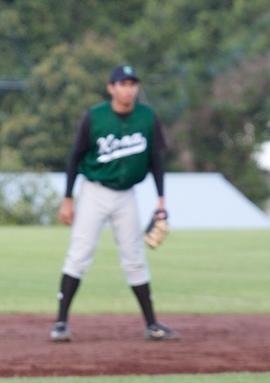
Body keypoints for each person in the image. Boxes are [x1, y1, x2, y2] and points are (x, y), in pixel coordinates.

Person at [49, 64, 180, 343]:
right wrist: (68, 198)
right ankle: (60, 323)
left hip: (126, 196)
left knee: (134, 258)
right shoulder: (94, 117)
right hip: (94, 192)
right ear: (112, 88)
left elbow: (157, 159)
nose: (128, 89)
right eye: (122, 84)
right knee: (79, 254)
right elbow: (74, 157)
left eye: (132, 84)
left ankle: (152, 324)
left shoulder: (147, 117)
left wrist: (160, 201)